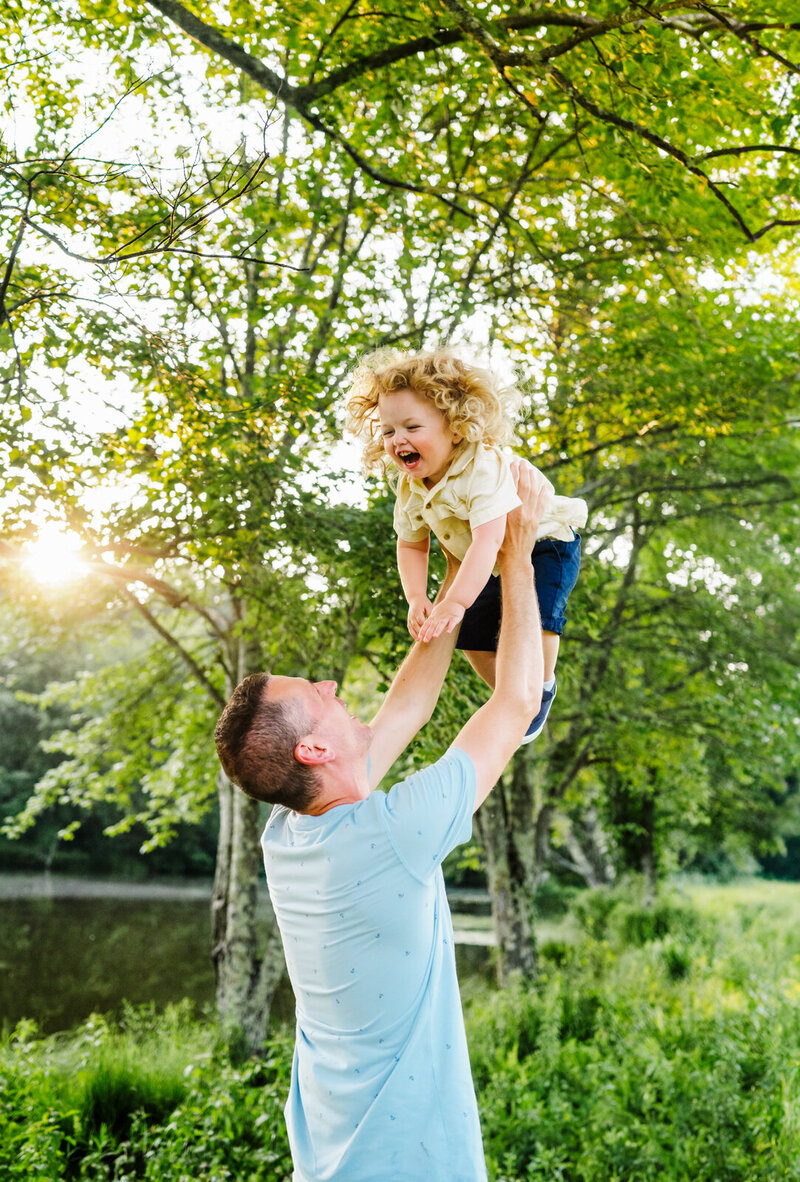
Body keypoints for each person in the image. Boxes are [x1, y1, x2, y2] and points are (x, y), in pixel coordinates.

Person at [214, 464, 551, 1182]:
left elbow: (406, 707)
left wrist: (463, 557)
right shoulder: (389, 837)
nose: (332, 686)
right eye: (316, 692)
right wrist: (516, 551)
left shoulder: (293, 835)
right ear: (314, 749)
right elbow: (517, 702)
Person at [346, 345, 586, 742]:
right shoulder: (410, 486)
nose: (397, 439)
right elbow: (411, 545)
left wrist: (454, 601)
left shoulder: (480, 466)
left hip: (545, 542)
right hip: (482, 562)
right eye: (388, 431)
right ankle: (513, 697)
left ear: (455, 428)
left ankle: (540, 685)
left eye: (411, 427)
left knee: (537, 620)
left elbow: (492, 538)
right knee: (471, 636)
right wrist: (417, 597)